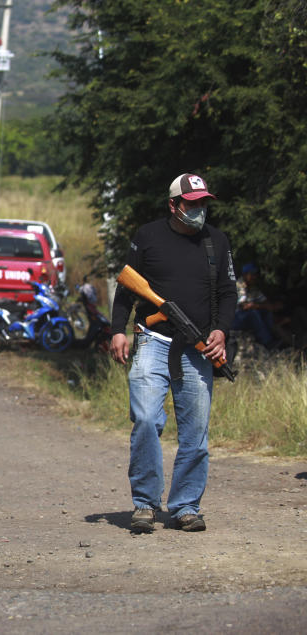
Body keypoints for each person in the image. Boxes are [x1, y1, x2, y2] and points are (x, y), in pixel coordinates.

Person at [109, 173, 237, 533]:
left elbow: (229, 293)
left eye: (203, 203)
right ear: (174, 205)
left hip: (198, 350)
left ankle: (185, 507)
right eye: (192, 203)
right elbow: (126, 287)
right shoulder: (148, 236)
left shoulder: (217, 241)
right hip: (152, 340)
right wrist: (118, 329)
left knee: (195, 434)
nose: (199, 210)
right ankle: (146, 504)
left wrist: (221, 331)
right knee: (147, 419)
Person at [231, 263, 284, 350]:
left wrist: (269, 306)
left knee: (266, 312)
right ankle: (267, 342)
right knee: (253, 313)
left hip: (244, 317)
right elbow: (244, 306)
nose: (254, 277)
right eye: (251, 274)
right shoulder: (239, 285)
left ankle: (272, 337)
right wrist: (260, 306)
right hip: (234, 319)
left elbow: (265, 303)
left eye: (255, 274)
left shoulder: (253, 288)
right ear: (245, 274)